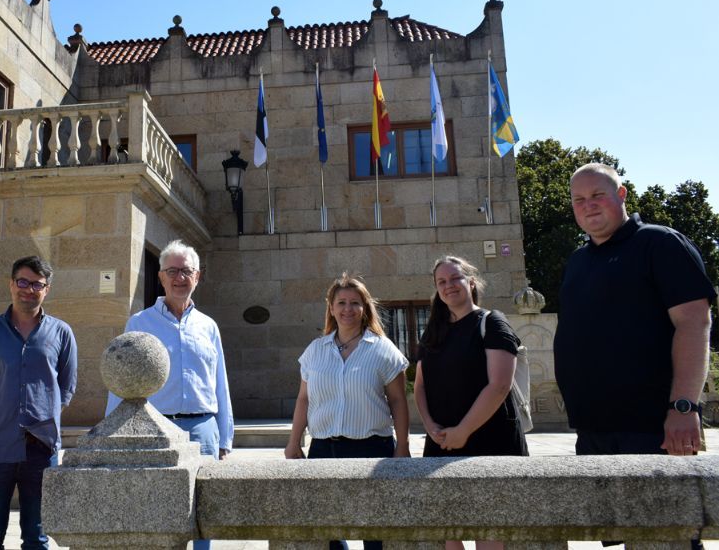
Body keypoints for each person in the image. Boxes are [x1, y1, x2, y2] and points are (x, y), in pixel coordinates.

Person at [555, 163, 714, 458]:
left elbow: (694, 324)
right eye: (579, 200)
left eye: (597, 195)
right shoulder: (578, 261)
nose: (588, 206)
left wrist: (683, 406)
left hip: (654, 428)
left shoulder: (660, 244)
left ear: (622, 194)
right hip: (591, 430)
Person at [105, 240, 233, 550]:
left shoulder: (208, 326)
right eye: (172, 271)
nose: (180, 278)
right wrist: (111, 430)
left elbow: (220, 382)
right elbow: (122, 378)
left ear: (197, 277)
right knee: (158, 508)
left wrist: (225, 437)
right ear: (161, 277)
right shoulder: (139, 323)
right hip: (157, 431)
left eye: (186, 271)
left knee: (205, 511)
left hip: (203, 429)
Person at [284, 273, 410, 550]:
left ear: (365, 308)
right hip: (323, 450)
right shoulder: (315, 351)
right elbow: (304, 399)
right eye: (341, 302)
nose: (347, 309)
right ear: (331, 308)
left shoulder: (382, 350)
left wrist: (402, 446)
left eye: (355, 303)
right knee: (327, 527)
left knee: (375, 528)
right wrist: (294, 441)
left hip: (373, 450)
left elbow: (399, 402)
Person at [0, 256, 77, 550]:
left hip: (41, 450)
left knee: (37, 538)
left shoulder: (61, 332)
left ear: (46, 289)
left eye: (37, 284)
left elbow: (65, 387)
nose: (29, 289)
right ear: (11, 284)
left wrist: (41, 418)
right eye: (23, 282)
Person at [414, 256, 527, 550]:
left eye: (455, 278)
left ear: (471, 281)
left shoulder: (492, 322)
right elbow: (420, 386)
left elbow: (499, 385)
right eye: (442, 282)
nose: (449, 286)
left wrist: (463, 431)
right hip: (441, 443)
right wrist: (430, 426)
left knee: (488, 531)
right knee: (447, 531)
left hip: (490, 442)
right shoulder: (433, 332)